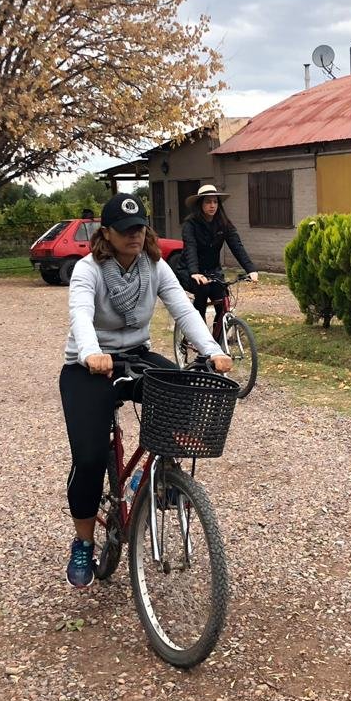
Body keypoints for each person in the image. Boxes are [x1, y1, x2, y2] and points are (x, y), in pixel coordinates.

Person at [59, 193, 233, 588]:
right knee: (88, 459)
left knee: (184, 392)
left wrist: (213, 350)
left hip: (136, 355)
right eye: (125, 230)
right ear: (106, 233)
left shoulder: (154, 267)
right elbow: (81, 315)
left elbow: (183, 310)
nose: (134, 236)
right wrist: (90, 353)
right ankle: (83, 542)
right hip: (87, 365)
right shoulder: (88, 270)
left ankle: (153, 478)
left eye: (139, 228)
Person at [181, 184, 259, 320]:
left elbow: (237, 246)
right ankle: (198, 333)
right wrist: (194, 272)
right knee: (203, 290)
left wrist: (251, 269)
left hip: (213, 272)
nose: (212, 205)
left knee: (223, 300)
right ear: (200, 204)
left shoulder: (224, 223)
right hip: (191, 271)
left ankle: (218, 339)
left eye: (215, 202)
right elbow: (190, 248)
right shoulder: (190, 224)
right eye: (208, 202)